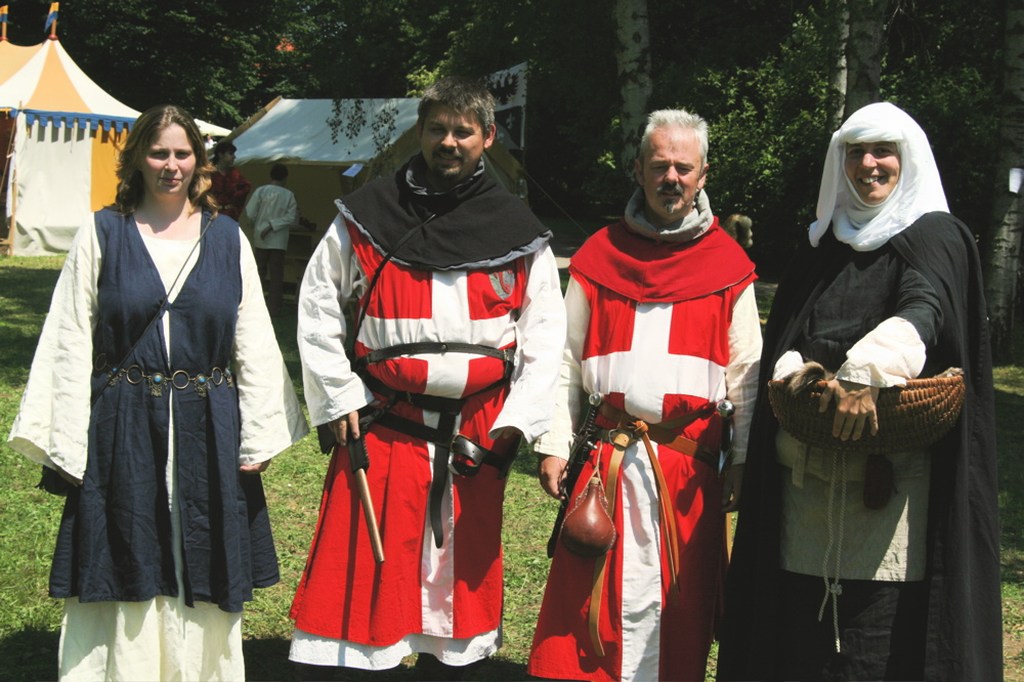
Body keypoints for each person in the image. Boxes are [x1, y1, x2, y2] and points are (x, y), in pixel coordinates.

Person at [7, 104, 309, 680]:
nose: (172, 165)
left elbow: (252, 336)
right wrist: (66, 435)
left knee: (201, 545)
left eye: (182, 153)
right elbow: (69, 334)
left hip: (208, 422)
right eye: (159, 152)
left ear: (199, 161)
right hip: (123, 419)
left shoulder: (227, 238)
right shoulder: (103, 232)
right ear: (138, 159)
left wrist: (260, 428)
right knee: (124, 541)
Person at [288, 76, 566, 677]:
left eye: (463, 131)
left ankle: (448, 665)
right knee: (371, 570)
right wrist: (339, 396)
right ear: (420, 132)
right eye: (437, 128)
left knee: (457, 580)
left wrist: (520, 420)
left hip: (475, 433)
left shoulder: (516, 229)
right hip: (385, 422)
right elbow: (318, 304)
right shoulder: (369, 214)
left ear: (488, 136)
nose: (449, 142)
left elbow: (545, 333)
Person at [717, 102, 1001, 681]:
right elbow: (790, 334)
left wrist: (866, 371)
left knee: (879, 637)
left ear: (907, 158)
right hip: (805, 488)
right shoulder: (821, 244)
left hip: (889, 493)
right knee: (800, 634)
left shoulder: (934, 234)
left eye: (883, 151)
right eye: (856, 152)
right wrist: (795, 370)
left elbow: (925, 308)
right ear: (839, 161)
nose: (869, 164)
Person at [527, 108, 762, 682]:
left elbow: (747, 374)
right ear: (638, 170)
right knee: (588, 603)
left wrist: (743, 461)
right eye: (659, 166)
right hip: (605, 462)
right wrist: (554, 441)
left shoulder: (729, 266)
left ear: (703, 175)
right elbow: (564, 357)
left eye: (683, 167)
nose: (671, 178)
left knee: (675, 607)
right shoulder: (600, 255)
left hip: (687, 474)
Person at [243, 163, 306, 316]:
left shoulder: (261, 191)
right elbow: (291, 217)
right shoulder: (288, 195)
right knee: (277, 274)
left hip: (261, 237)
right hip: (279, 240)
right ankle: (274, 308)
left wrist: (258, 225)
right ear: (285, 178)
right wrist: (274, 225)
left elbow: (250, 212)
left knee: (259, 272)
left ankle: (254, 305)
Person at [210, 139, 251, 220]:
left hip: (230, 216)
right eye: (230, 154)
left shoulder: (234, 173)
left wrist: (234, 200)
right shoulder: (209, 173)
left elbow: (246, 187)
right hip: (211, 216)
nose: (234, 157)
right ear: (220, 155)